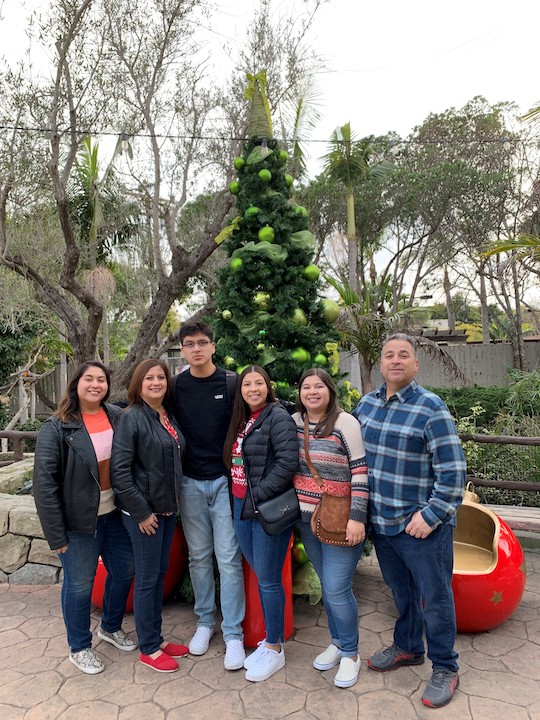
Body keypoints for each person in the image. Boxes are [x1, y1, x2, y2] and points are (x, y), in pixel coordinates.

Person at [354, 333, 466, 709]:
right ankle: (407, 648)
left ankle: (446, 668)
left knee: (435, 599)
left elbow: (452, 473)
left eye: (404, 355)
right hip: (383, 526)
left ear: (416, 365)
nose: (396, 360)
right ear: (380, 365)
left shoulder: (431, 407)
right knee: (402, 595)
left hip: (420, 528)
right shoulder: (365, 406)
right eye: (389, 355)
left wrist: (431, 516)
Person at [33, 362, 136, 675]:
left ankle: (110, 626)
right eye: (88, 379)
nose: (95, 385)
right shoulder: (57, 427)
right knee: (79, 586)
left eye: (101, 380)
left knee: (125, 570)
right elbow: (44, 485)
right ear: (76, 384)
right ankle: (79, 647)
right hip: (79, 523)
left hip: (115, 515)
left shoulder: (118, 417)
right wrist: (56, 535)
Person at [172, 321, 246, 671]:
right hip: (188, 483)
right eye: (190, 344)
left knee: (228, 558)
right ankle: (205, 622)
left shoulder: (231, 383)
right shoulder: (174, 387)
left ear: (213, 346)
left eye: (203, 342)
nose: (197, 349)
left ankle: (232, 633)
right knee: (199, 557)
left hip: (223, 482)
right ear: (183, 350)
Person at [292, 368, 368, 689]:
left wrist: (357, 517)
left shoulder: (345, 423)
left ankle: (351, 653)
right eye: (306, 387)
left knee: (337, 589)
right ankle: (337, 643)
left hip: (340, 520)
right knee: (327, 586)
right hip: (307, 520)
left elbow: (360, 472)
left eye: (318, 386)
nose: (312, 392)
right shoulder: (295, 422)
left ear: (329, 390)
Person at [111, 359, 188, 673]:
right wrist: (142, 513)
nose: (156, 382)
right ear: (138, 384)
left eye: (161, 377)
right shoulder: (131, 418)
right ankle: (149, 648)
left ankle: (156, 637)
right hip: (144, 514)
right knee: (147, 579)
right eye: (149, 378)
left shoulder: (165, 415)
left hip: (167, 510)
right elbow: (120, 472)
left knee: (158, 576)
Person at [223, 365, 298, 682]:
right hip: (241, 507)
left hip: (265, 509)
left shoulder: (277, 415)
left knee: (268, 579)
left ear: (267, 386)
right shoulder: (241, 419)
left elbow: (287, 463)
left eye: (259, 383)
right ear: (240, 390)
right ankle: (271, 643)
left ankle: (275, 647)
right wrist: (242, 499)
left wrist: (258, 496)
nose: (253, 389)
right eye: (247, 384)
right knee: (261, 572)